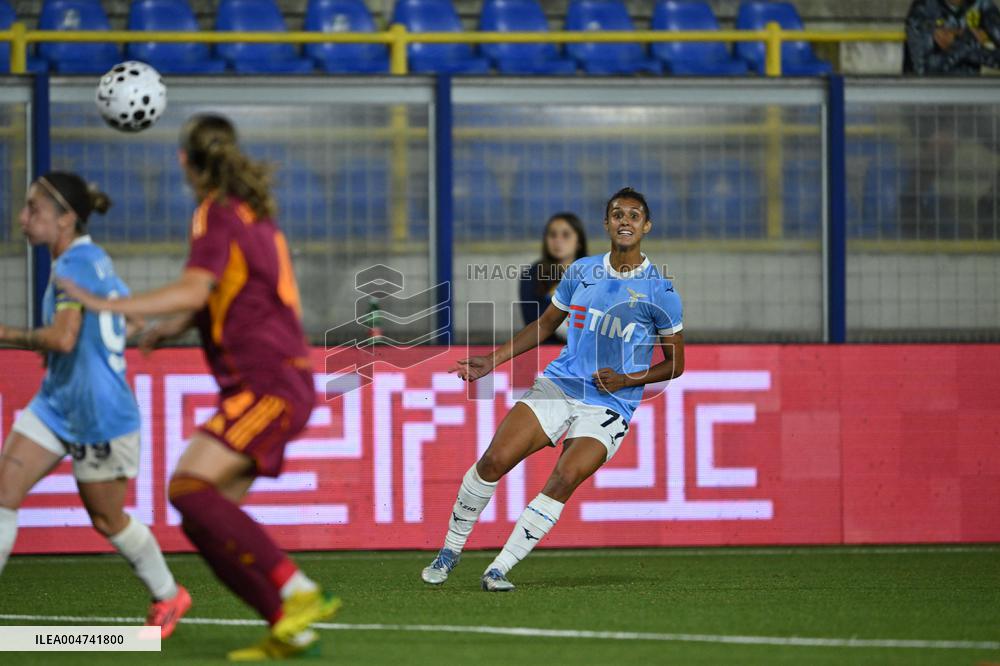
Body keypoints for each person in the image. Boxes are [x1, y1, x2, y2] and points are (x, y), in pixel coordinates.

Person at [59, 114, 339, 660]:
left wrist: (110, 304)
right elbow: (231, 294)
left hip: (268, 382)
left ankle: (295, 590)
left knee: (187, 489)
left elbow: (196, 287)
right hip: (271, 379)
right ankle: (289, 627)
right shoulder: (254, 215)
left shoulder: (214, 214)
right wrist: (171, 329)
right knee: (200, 511)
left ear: (185, 160)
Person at [422, 187, 684, 591]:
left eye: (634, 215)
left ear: (646, 226)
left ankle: (499, 568)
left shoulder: (661, 291)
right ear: (606, 223)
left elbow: (676, 363)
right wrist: (492, 360)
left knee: (562, 479)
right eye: (617, 214)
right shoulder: (581, 271)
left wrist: (628, 380)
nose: (625, 221)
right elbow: (545, 326)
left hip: (610, 405)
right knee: (494, 460)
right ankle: (449, 551)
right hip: (560, 384)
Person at [0, 172, 190, 637]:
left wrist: (5, 334)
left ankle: (169, 594)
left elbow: (63, 338)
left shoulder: (73, 268)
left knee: (107, 519)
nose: (23, 218)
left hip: (100, 417)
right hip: (56, 403)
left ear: (65, 219)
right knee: (2, 496)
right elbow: (132, 319)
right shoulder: (92, 260)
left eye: (34, 210)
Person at [518, 212, 588, 344]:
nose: (558, 240)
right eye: (552, 235)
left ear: (578, 242)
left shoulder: (593, 273)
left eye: (566, 235)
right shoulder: (532, 275)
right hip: (547, 349)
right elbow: (533, 321)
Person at [904, 0, 1000, 74]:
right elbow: (923, 70)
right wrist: (968, 42)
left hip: (970, 90)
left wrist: (960, 43)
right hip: (927, 93)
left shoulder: (981, 5)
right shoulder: (923, 8)